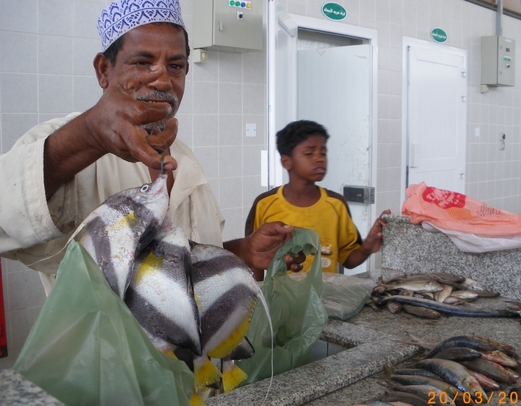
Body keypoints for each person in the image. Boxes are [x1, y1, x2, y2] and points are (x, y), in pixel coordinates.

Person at [0, 0, 302, 293]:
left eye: (175, 65)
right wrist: (90, 134)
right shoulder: (66, 140)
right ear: (104, 70)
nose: (162, 80)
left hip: (189, 345)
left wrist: (245, 251)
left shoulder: (184, 157)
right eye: (143, 63)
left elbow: (179, 264)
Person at [245, 120, 390, 281]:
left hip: (326, 300)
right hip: (280, 303)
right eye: (309, 153)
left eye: (323, 153)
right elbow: (254, 262)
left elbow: (348, 259)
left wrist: (368, 246)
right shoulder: (265, 204)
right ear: (286, 161)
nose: (319, 159)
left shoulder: (336, 205)